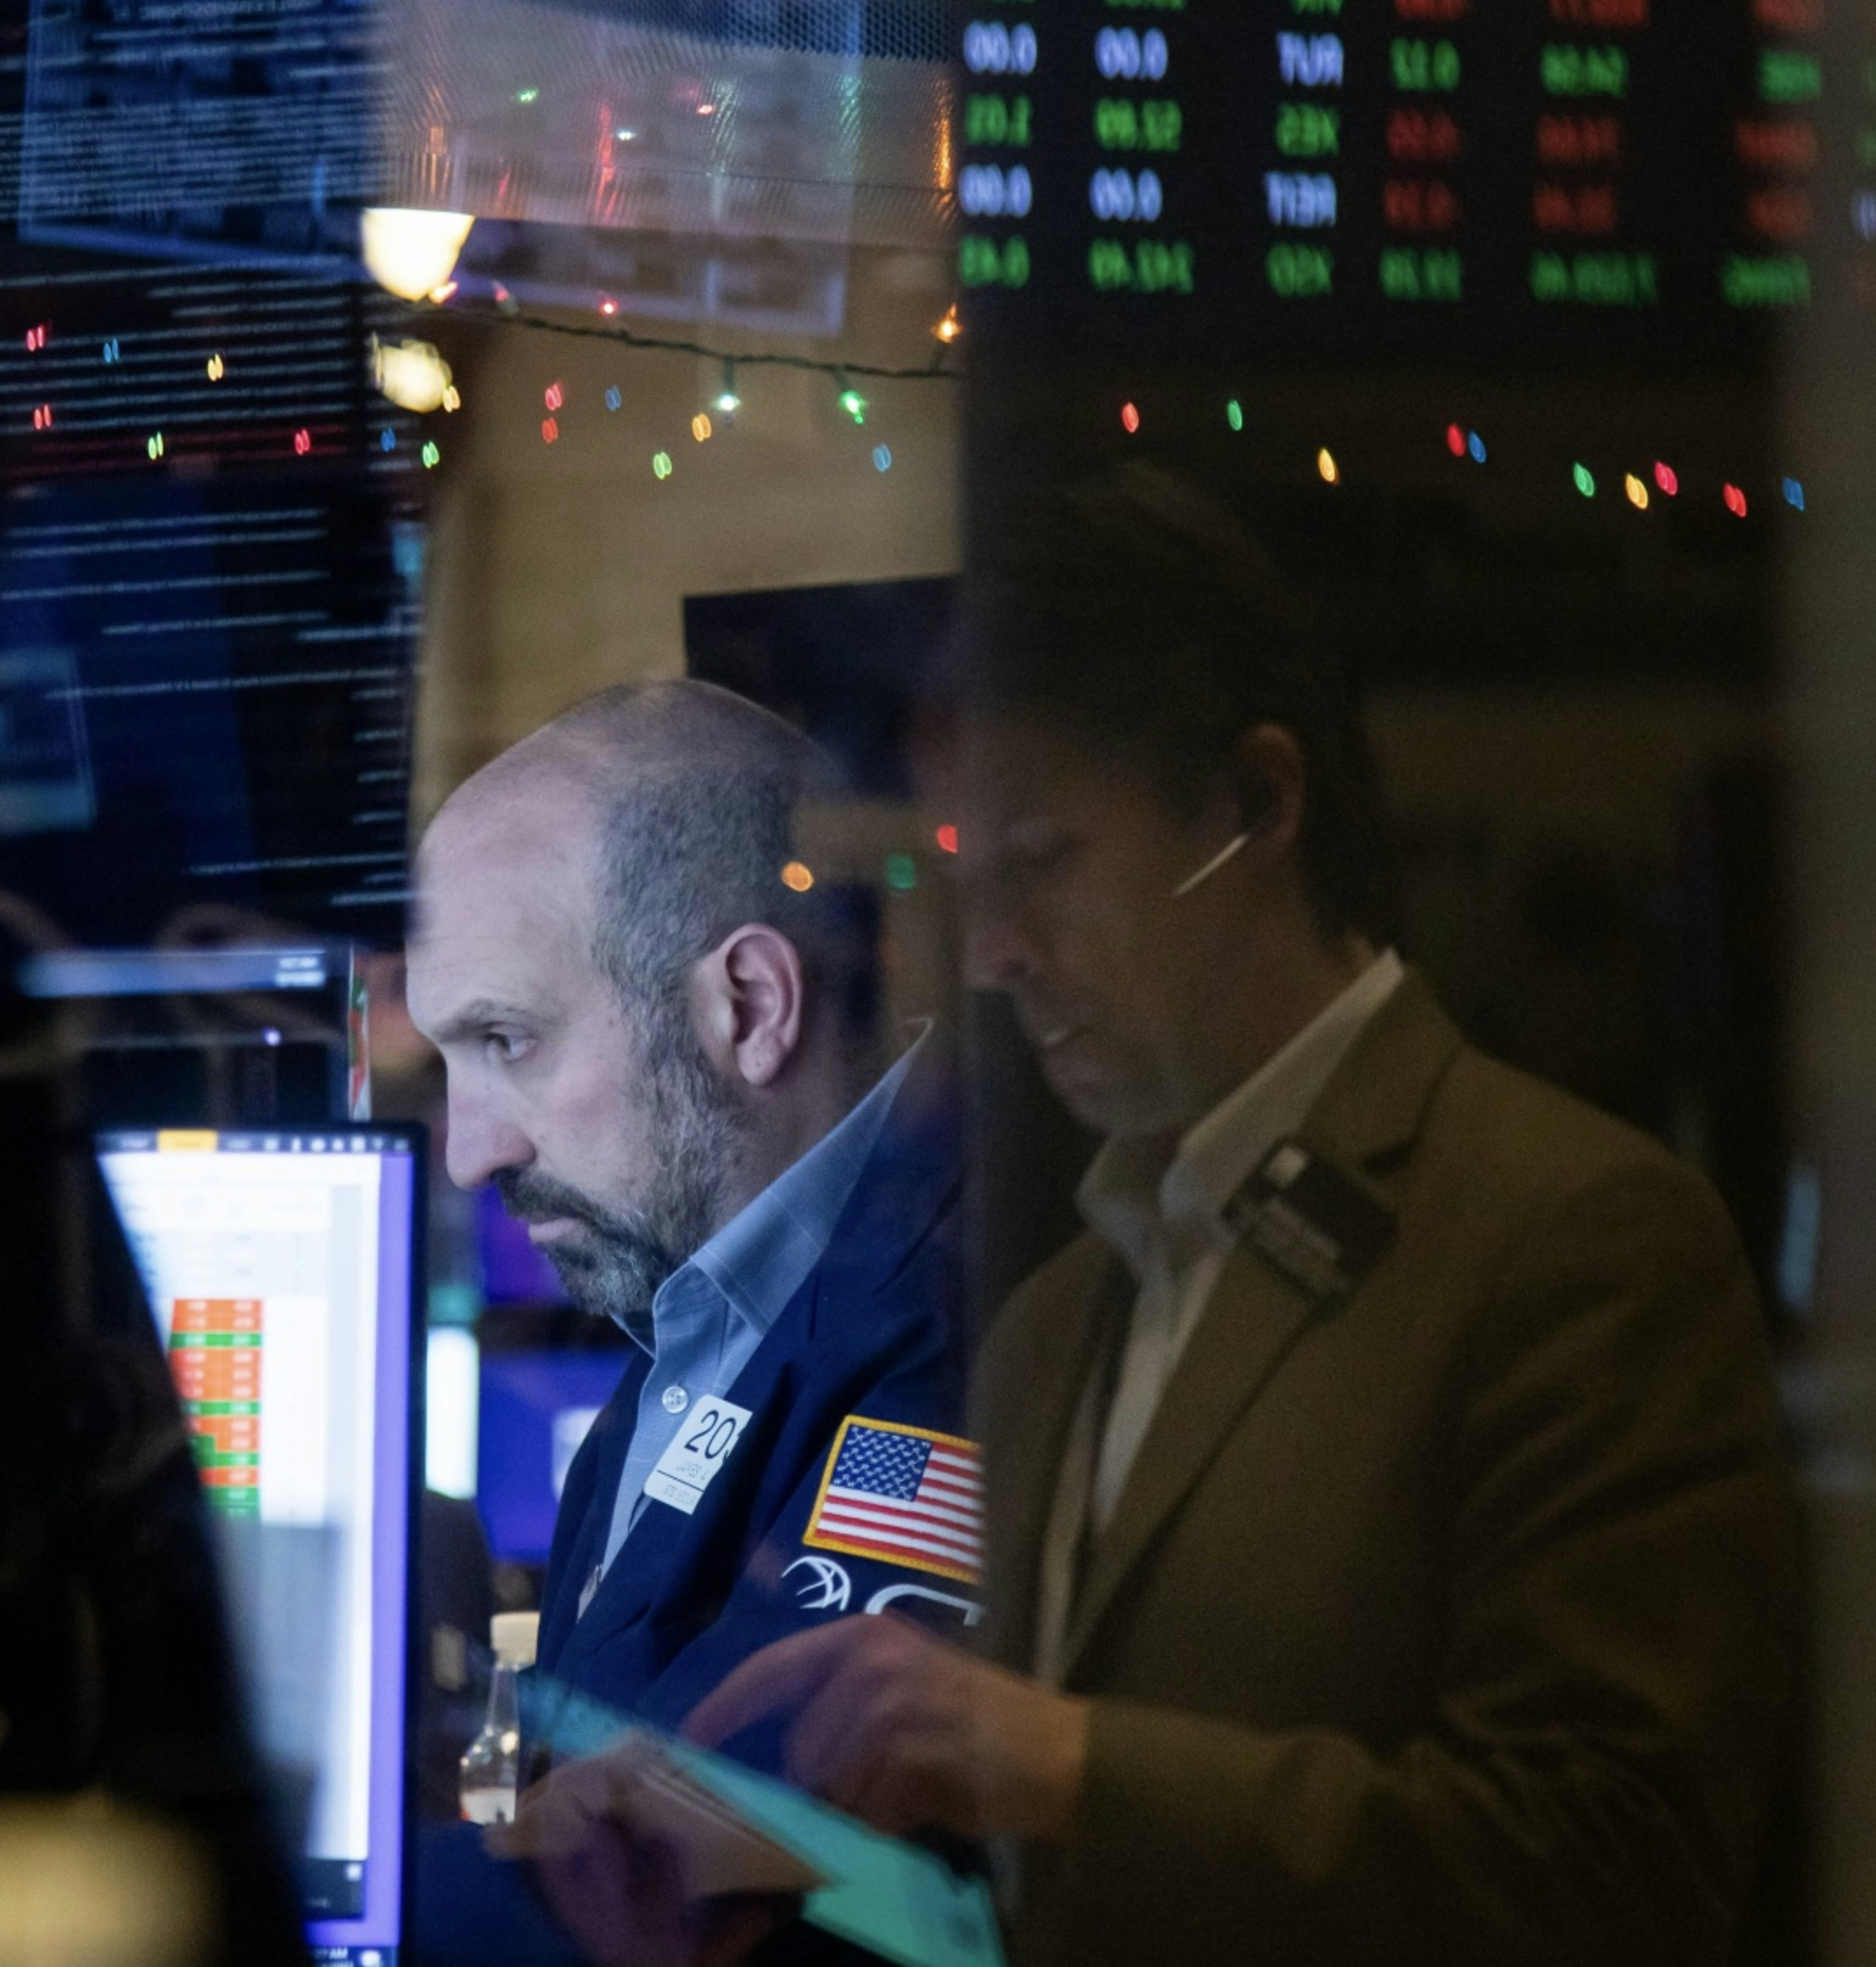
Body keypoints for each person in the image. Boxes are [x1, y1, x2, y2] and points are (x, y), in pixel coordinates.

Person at [683, 469, 1805, 1967]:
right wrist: (766, 1857)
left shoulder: (1580, 1238)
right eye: (970, 880)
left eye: (1044, 864)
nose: (999, 955)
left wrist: (1064, 1761)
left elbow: (1619, 1867)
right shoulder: (1054, 1320)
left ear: (1260, 802)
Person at [405, 679, 968, 1958]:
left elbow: (688, 1876)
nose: (468, 1152)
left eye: (509, 1039)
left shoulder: (952, 1319)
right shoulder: (698, 1316)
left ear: (752, 1009)